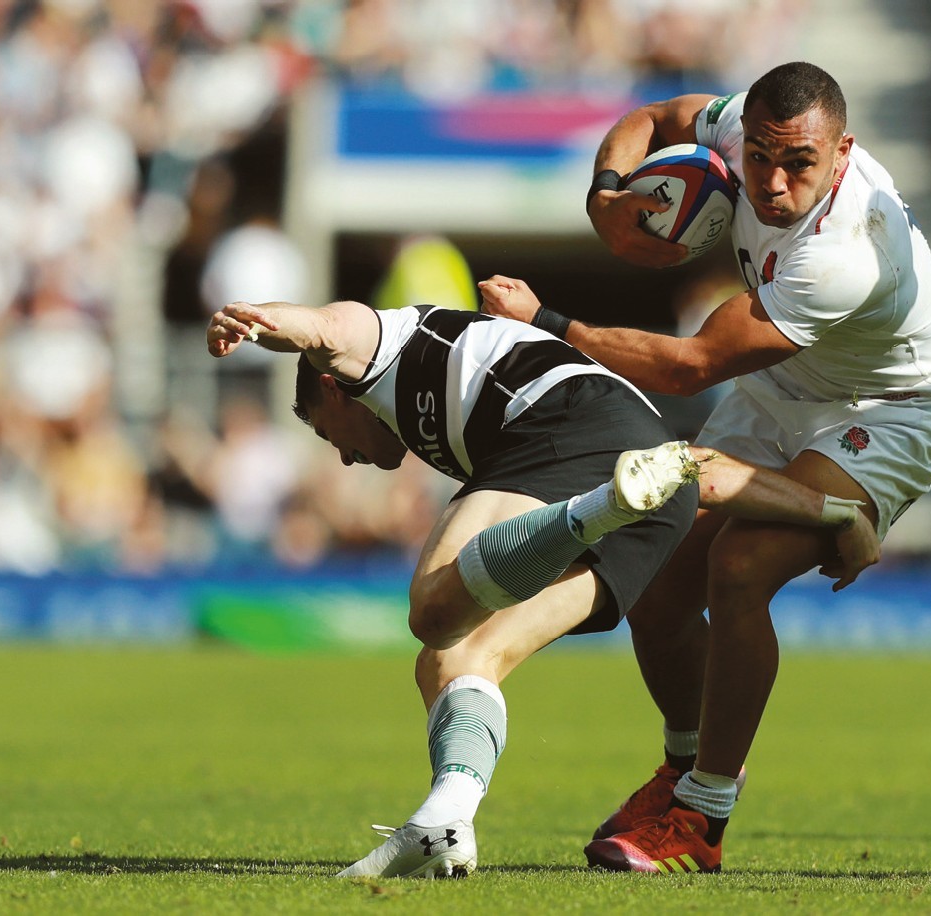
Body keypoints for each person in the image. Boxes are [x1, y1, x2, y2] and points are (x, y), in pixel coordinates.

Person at [480, 60, 931, 874]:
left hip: (886, 413)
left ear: (842, 151)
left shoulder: (844, 252)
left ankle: (702, 816)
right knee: (655, 573)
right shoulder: (746, 125)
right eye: (761, 157)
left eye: (799, 163)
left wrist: (548, 321)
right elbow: (653, 117)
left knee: (739, 567)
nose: (771, 183)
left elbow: (688, 367)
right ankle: (682, 769)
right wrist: (608, 196)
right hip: (781, 391)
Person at [205, 295, 880, 879]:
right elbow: (690, 470)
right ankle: (445, 822)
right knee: (454, 657)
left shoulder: (381, 345)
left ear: (330, 389)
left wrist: (257, 321)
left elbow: (324, 327)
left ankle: (596, 510)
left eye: (324, 431)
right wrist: (839, 514)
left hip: (562, 427)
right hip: (646, 481)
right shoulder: (515, 412)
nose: (344, 455)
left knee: (434, 610)